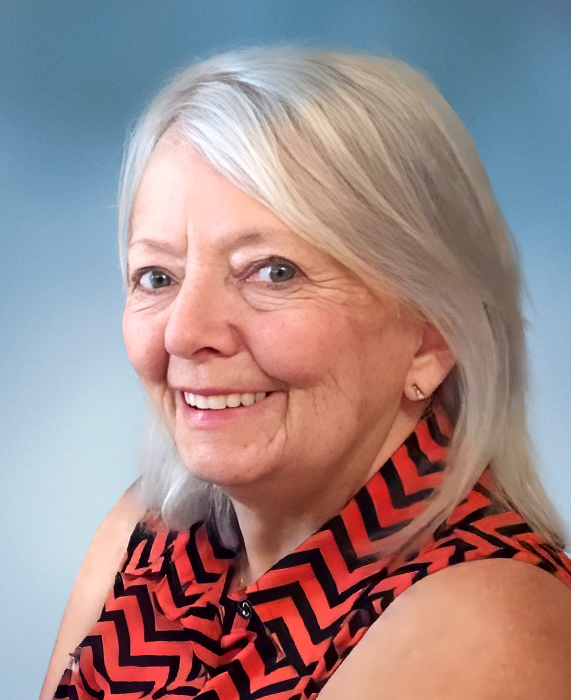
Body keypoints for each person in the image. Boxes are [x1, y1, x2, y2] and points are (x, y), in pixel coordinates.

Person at [43, 47, 571, 700]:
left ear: (430, 338)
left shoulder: (487, 622)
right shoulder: (146, 537)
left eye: (273, 272)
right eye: (157, 277)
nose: (184, 332)